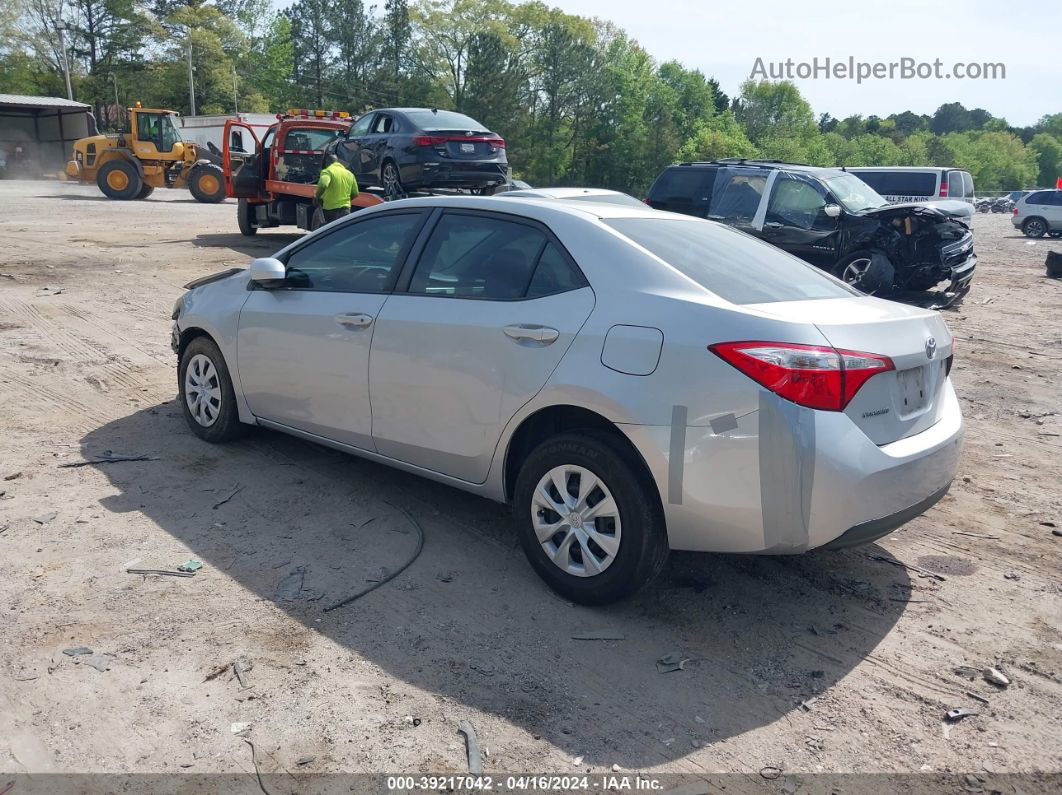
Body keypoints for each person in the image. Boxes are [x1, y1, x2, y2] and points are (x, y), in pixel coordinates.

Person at [315, 153, 359, 224]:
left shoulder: (327, 171)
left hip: (330, 210)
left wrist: (317, 197)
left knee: (331, 232)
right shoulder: (349, 174)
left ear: (327, 162)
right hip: (345, 209)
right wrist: (345, 200)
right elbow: (355, 193)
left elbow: (323, 184)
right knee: (342, 231)